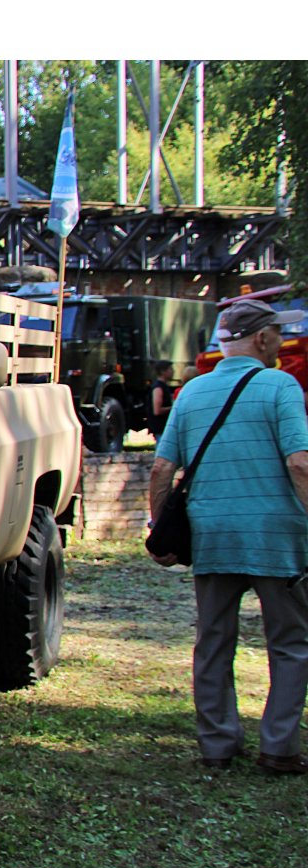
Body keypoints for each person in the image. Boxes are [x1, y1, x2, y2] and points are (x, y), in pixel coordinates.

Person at [149, 298, 308, 774]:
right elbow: (299, 463)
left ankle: (216, 744)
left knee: (214, 640)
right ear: (261, 339)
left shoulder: (193, 392)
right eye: (277, 334)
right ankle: (278, 747)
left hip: (213, 534)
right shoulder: (281, 385)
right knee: (291, 642)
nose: (281, 342)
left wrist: (160, 530)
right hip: (277, 538)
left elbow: (161, 468)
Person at [147, 361, 173, 441]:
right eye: (170, 369)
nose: (172, 372)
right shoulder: (158, 388)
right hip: (160, 428)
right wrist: (173, 408)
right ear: (163, 372)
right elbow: (157, 410)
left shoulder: (163, 386)